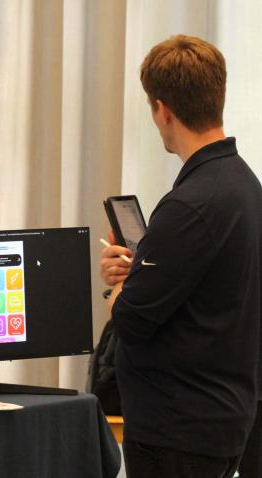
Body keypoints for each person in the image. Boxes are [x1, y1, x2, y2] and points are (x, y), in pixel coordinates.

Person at [100, 35, 262, 478]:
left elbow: (130, 319)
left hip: (177, 429)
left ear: (162, 109)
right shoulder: (245, 185)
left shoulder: (189, 204)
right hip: (223, 416)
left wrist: (117, 288)